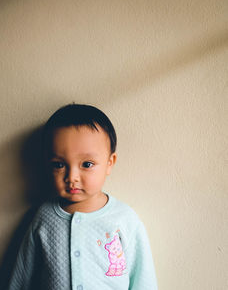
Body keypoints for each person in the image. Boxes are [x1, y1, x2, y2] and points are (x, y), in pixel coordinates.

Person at [8, 104, 158, 290]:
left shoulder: (124, 219)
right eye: (59, 164)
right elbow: (22, 277)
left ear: (109, 163)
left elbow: (143, 279)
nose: (71, 177)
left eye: (87, 164)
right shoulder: (43, 218)